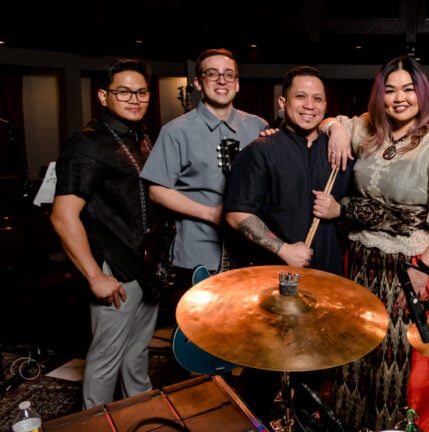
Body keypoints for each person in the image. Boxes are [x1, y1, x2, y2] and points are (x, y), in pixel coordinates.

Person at [321, 55, 429, 432]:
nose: (399, 98)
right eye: (390, 90)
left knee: (398, 365)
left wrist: (422, 268)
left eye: (409, 89)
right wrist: (336, 130)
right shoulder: (367, 131)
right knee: (359, 355)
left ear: (423, 95)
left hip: (408, 266)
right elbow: (330, 120)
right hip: (359, 262)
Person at [222, 65, 354, 417]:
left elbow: (359, 204)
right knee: (265, 374)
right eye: (300, 97)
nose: (309, 105)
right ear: (283, 102)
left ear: (327, 106)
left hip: (327, 279)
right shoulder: (260, 150)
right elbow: (236, 213)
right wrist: (282, 248)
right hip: (275, 282)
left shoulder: (339, 151)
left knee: (315, 373)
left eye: (317, 99)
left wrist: (339, 211)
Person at [50, 58, 159, 408]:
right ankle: (94, 423)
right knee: (105, 361)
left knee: (136, 357)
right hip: (113, 268)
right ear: (102, 95)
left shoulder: (140, 135)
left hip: (144, 265)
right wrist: (95, 275)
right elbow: (62, 216)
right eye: (123, 91)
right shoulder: (86, 144)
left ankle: (140, 420)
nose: (134, 98)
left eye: (141, 92)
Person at [139, 48, 269, 307]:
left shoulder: (258, 127)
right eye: (212, 74)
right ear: (198, 83)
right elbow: (157, 191)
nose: (222, 81)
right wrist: (210, 213)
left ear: (237, 83)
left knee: (246, 331)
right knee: (202, 332)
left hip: (250, 252)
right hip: (199, 252)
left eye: (228, 75)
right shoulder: (176, 131)